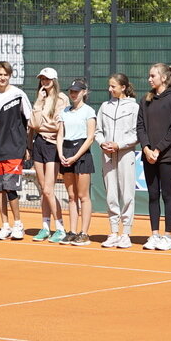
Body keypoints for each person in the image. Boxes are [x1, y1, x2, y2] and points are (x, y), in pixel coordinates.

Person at [0, 61, 32, 241]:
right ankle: (5, 225)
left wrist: (27, 146)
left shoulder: (18, 94)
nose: (2, 77)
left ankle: (18, 224)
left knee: (11, 188)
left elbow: (29, 121)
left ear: (10, 76)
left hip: (14, 149)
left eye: (5, 74)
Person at [137, 63, 171, 251]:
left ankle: (168, 237)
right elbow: (140, 126)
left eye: (153, 75)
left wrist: (158, 150)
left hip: (167, 156)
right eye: (149, 76)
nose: (149, 79)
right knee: (153, 195)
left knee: (167, 195)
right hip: (148, 156)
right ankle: (154, 235)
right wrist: (147, 148)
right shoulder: (145, 100)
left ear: (163, 78)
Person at [95, 73, 139, 249]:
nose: (110, 89)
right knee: (111, 193)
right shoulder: (104, 106)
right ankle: (113, 232)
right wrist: (102, 143)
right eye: (109, 86)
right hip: (107, 154)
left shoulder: (134, 107)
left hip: (125, 154)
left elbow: (137, 134)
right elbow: (98, 131)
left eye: (113, 86)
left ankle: (126, 233)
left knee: (127, 194)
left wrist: (119, 145)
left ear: (123, 87)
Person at [29, 67, 69, 243]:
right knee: (43, 189)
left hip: (53, 145)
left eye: (47, 79)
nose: (44, 82)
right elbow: (33, 123)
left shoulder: (62, 99)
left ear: (54, 80)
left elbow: (57, 126)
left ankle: (60, 228)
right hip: (38, 144)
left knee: (48, 189)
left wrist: (42, 126)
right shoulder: (40, 99)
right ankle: (45, 227)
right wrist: (38, 102)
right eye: (42, 79)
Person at [56, 79, 96, 246]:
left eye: (77, 91)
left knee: (83, 196)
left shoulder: (89, 111)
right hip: (66, 151)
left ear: (84, 92)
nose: (73, 94)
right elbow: (60, 134)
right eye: (71, 91)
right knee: (71, 196)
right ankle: (72, 232)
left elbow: (90, 137)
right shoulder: (64, 111)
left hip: (81, 153)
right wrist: (60, 153)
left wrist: (76, 156)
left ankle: (84, 233)